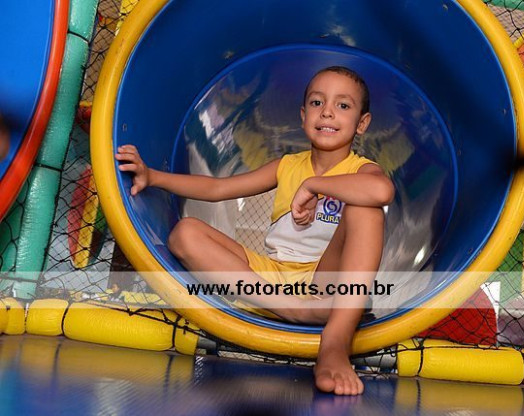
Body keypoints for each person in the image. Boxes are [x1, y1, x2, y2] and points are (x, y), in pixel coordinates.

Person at [115, 66, 395, 395]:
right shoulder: (287, 165)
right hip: (271, 280)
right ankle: (293, 310)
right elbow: (218, 188)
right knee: (185, 233)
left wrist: (314, 185)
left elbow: (382, 191)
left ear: (362, 123)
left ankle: (335, 341)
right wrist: (153, 177)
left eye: (343, 105)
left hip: (327, 285)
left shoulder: (361, 170)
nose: (328, 112)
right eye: (317, 103)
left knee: (366, 209)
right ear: (303, 115)